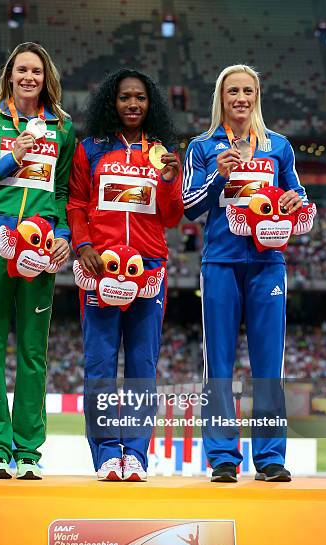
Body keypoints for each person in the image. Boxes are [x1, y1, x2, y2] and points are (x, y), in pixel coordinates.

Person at [0, 42, 75, 479]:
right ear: (10, 75)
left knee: (32, 350)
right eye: (22, 70)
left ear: (46, 79)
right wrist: (9, 159)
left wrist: (63, 235)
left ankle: (28, 454)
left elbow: (61, 193)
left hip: (41, 245)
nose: (29, 78)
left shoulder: (63, 127)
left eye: (37, 72)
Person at [183, 64, 308, 483]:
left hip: (268, 264)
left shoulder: (278, 147)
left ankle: (270, 457)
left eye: (248, 90)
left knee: (268, 364)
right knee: (218, 364)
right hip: (220, 262)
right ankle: (222, 457)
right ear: (221, 96)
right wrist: (218, 176)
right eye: (232, 90)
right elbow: (189, 206)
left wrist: (293, 200)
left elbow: (299, 194)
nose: (240, 97)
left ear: (257, 96)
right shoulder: (202, 147)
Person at [68, 68, 183, 481]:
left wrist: (170, 181)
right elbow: (77, 203)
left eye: (140, 98)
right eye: (124, 98)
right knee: (99, 364)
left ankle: (134, 453)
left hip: (148, 268)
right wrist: (83, 246)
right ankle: (105, 455)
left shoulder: (162, 153)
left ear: (150, 104)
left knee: (142, 366)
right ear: (111, 103)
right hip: (101, 268)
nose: (132, 105)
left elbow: (171, 216)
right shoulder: (91, 149)